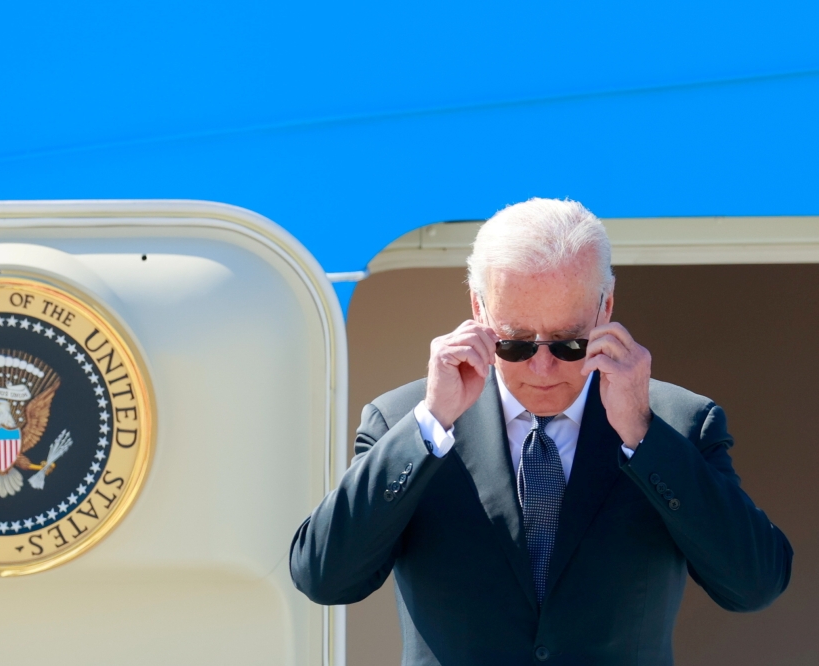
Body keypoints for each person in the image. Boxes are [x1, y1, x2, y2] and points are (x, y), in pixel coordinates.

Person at [289, 198, 792, 665]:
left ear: (606, 308)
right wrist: (430, 426)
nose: (544, 367)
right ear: (479, 309)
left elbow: (754, 585)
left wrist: (643, 434)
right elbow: (324, 576)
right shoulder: (406, 419)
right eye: (517, 342)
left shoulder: (677, 421)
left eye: (569, 342)